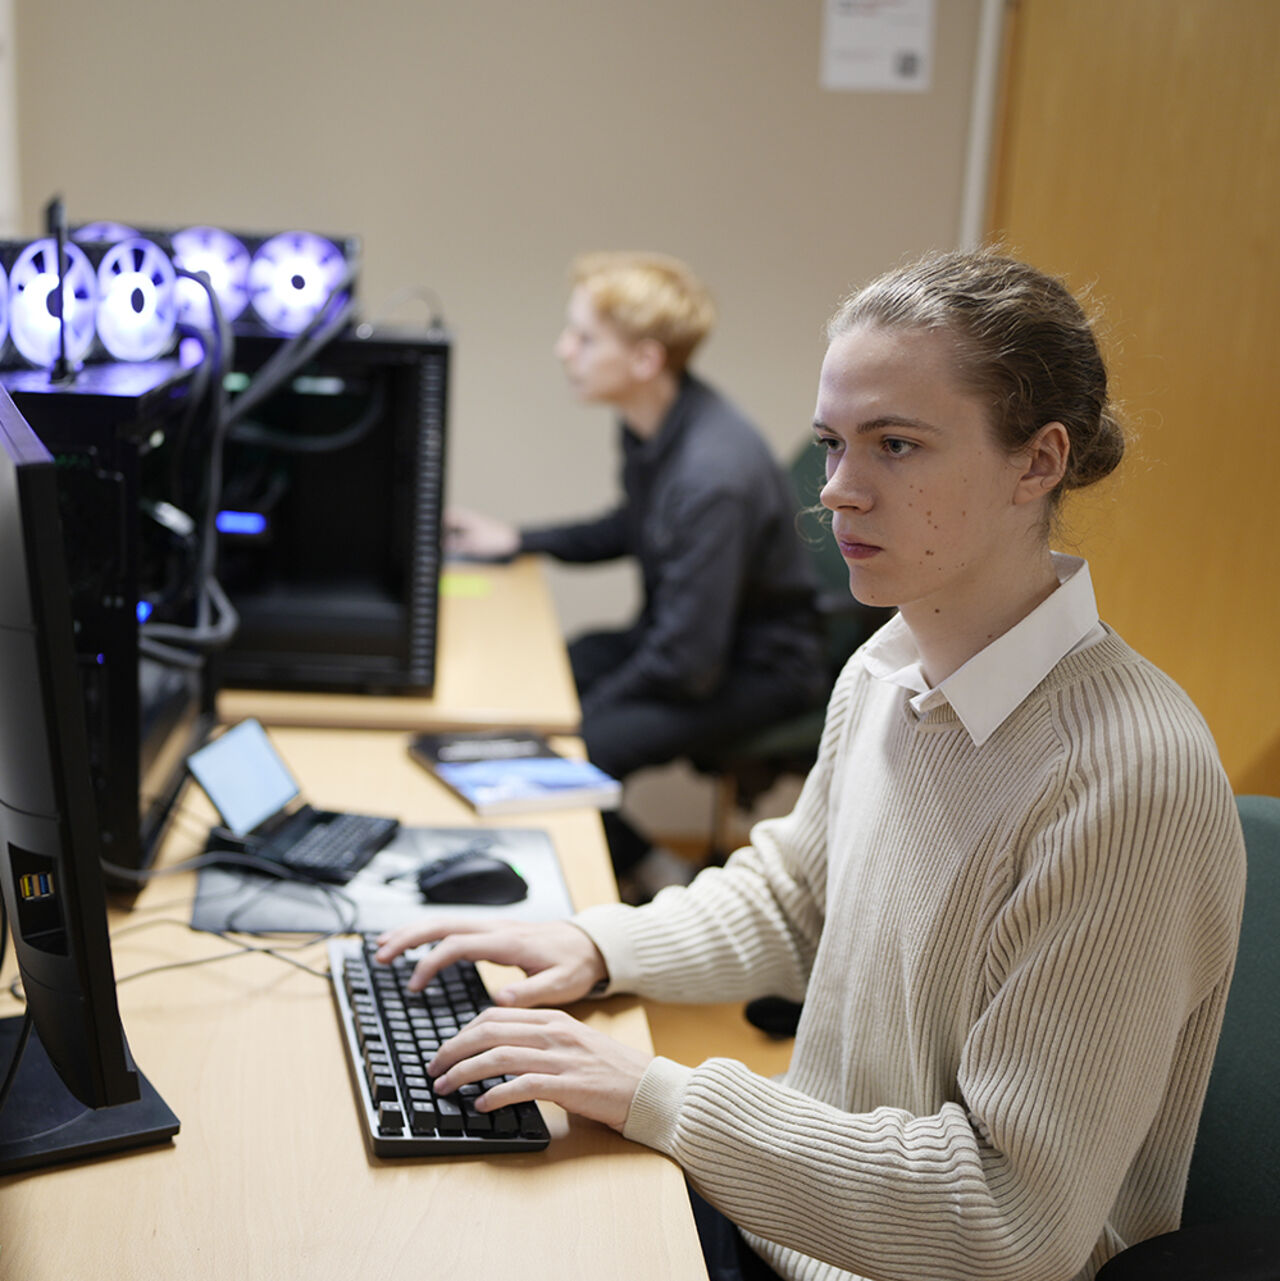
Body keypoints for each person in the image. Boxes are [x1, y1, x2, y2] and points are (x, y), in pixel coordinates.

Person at [379, 250, 1246, 1281]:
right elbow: (796, 898)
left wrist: (654, 1094)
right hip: (792, 1222)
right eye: (832, 444)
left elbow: (1007, 1217)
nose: (835, 491)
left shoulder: (1122, 778)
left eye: (894, 445)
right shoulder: (887, 662)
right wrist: (589, 943)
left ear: (1035, 463)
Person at [446, 251, 826, 888]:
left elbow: (687, 663)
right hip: (695, 643)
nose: (564, 350)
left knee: (577, 747)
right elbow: (635, 524)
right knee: (550, 679)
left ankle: (650, 872)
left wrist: (576, 716)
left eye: (584, 338)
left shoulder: (712, 475)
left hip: (755, 669)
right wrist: (516, 539)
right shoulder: (656, 427)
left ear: (645, 360)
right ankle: (646, 864)